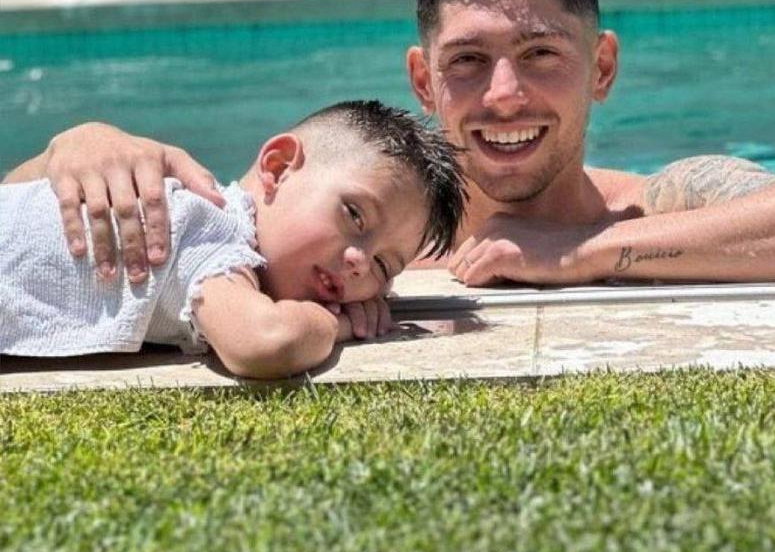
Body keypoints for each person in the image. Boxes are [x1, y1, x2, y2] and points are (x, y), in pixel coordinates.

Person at [4, 0, 775, 294]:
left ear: (602, 67)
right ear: (421, 81)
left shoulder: (660, 202)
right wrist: (80, 144)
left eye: (542, 55)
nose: (505, 96)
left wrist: (585, 254)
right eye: (468, 63)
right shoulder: (330, 213)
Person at [1, 100, 465, 378]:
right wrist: (337, 325)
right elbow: (264, 343)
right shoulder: (213, 231)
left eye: (385, 266)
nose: (361, 263)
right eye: (353, 215)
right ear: (278, 167)